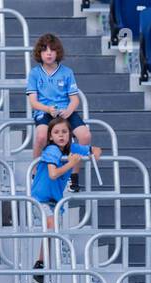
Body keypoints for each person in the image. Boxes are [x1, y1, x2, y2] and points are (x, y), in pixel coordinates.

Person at [30, 116, 101, 283]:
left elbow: (96, 150)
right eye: (56, 132)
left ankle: (41, 265)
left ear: (70, 134)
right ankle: (41, 267)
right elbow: (53, 174)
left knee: (51, 231)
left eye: (64, 132)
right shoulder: (51, 150)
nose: (61, 135)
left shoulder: (73, 148)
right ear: (50, 137)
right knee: (51, 227)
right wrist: (72, 164)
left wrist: (93, 153)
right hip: (40, 199)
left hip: (55, 200)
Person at [26, 32, 92, 192]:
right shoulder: (35, 73)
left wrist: (68, 111)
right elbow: (33, 102)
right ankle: (35, 173)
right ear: (39, 53)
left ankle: (73, 177)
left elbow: (75, 99)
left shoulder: (67, 72)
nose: (48, 53)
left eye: (52, 50)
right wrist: (48, 109)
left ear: (58, 53)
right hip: (45, 111)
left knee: (85, 136)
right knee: (41, 136)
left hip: (65, 112)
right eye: (45, 50)